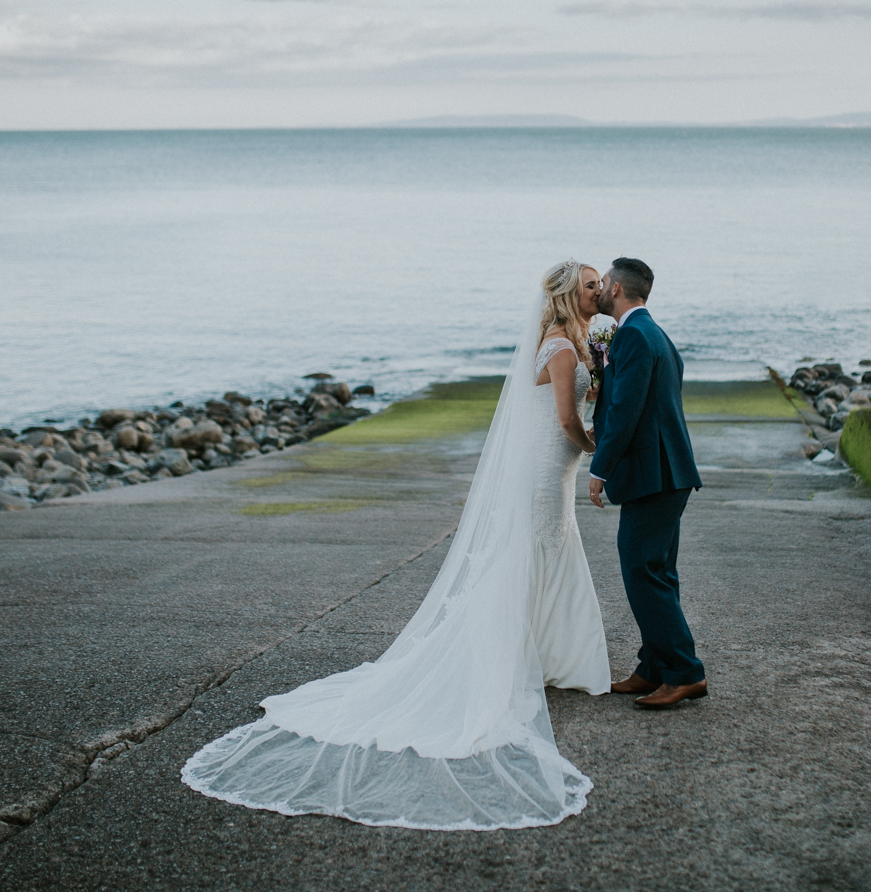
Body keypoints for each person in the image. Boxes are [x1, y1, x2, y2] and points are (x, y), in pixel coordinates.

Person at [182, 260, 611, 830]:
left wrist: (597, 390)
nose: (597, 290)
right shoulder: (559, 346)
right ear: (565, 295)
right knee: (528, 553)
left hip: (552, 469)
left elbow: (573, 407)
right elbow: (563, 419)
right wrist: (596, 448)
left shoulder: (571, 343)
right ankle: (503, 661)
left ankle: (548, 655)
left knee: (548, 549)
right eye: (589, 284)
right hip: (545, 466)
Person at [587, 258, 707, 709]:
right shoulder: (655, 333)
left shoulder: (634, 335)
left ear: (617, 288)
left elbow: (626, 409)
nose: (598, 290)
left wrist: (600, 469)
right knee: (658, 571)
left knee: (641, 571)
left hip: (654, 475)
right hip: (667, 472)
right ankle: (653, 667)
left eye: (603, 283)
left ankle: (684, 672)